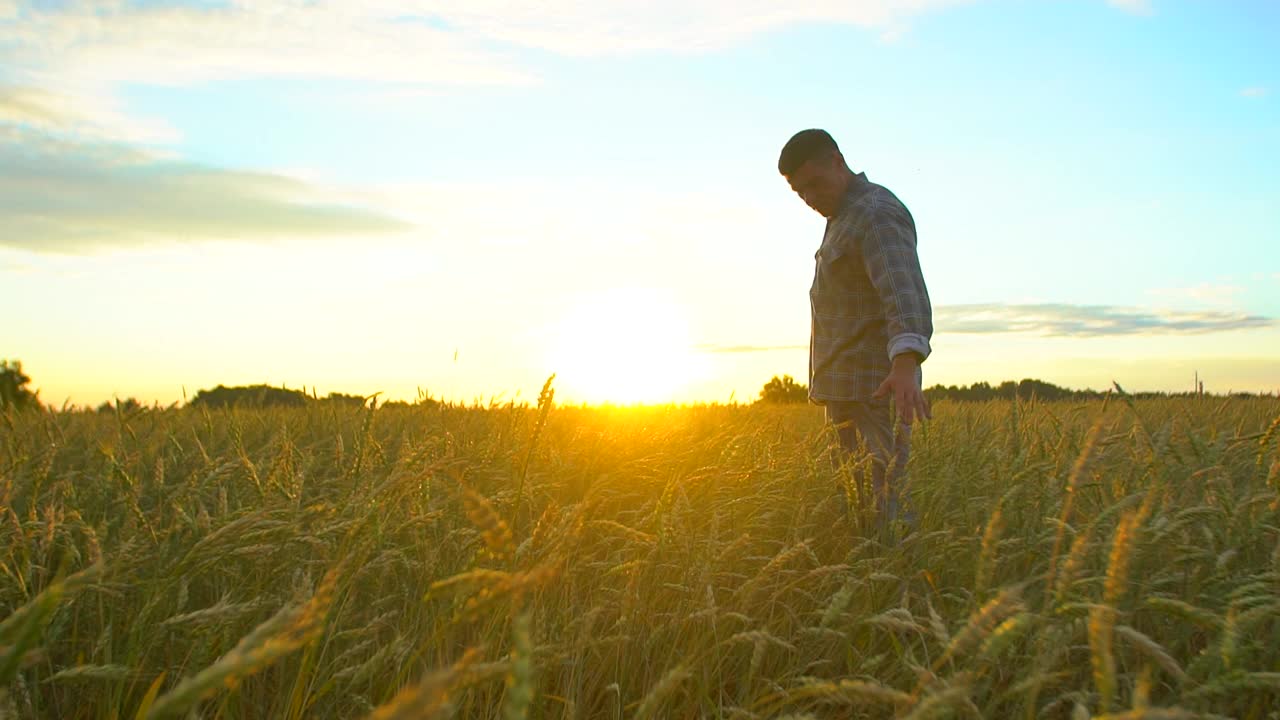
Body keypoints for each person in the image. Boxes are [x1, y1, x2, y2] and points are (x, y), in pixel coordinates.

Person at [777, 128, 933, 531]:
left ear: (837, 161)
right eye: (800, 193)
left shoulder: (874, 213)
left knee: (886, 508)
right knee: (857, 509)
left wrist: (904, 366)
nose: (811, 198)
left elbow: (903, 292)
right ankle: (874, 585)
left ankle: (903, 590)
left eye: (815, 184)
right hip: (845, 391)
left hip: (874, 389)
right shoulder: (842, 216)